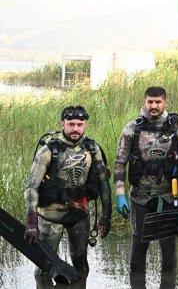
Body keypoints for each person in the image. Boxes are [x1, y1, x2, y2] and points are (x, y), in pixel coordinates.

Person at [23, 105, 112, 276]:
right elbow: (31, 187)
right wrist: (32, 223)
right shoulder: (48, 151)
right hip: (50, 216)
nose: (75, 129)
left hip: (80, 214)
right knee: (44, 268)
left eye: (80, 124)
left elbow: (104, 184)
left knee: (82, 266)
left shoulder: (93, 149)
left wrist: (106, 217)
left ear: (85, 124)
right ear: (63, 124)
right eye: (71, 124)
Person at [114, 86, 178, 274]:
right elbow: (119, 163)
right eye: (150, 101)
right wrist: (120, 194)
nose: (154, 105)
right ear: (144, 102)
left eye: (158, 102)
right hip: (140, 198)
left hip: (169, 198)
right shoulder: (132, 128)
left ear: (166, 103)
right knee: (139, 248)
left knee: (169, 250)